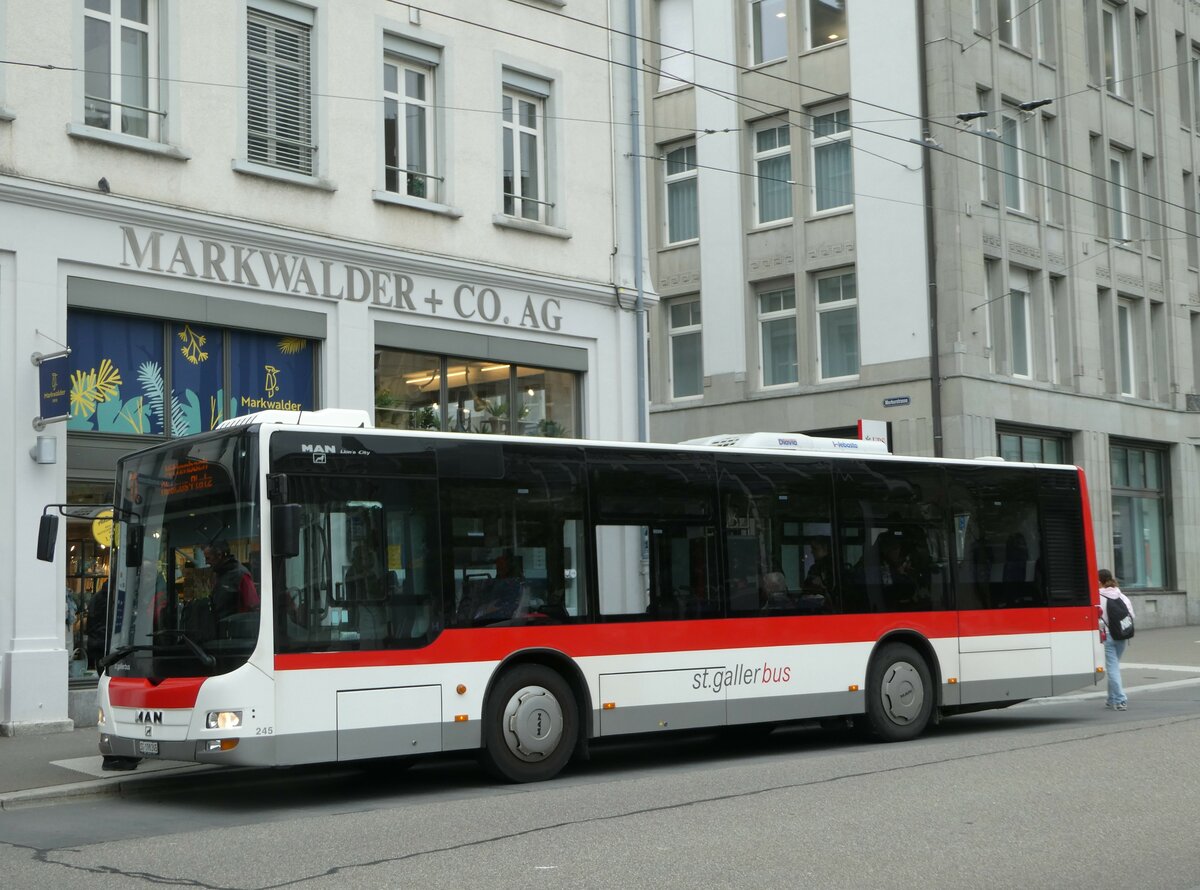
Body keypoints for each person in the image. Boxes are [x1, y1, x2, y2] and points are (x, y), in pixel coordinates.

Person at [1098, 568, 1135, 711]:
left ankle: (1120, 699)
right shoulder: (1122, 596)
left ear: (1099, 581)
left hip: (1107, 636)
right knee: (1114, 667)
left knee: (1112, 668)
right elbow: (1132, 616)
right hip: (1121, 635)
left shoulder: (1098, 597)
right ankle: (1111, 698)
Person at [204, 541, 260, 627]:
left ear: (219, 555)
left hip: (237, 631)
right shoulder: (219, 574)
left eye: (208, 558)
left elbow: (253, 606)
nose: (206, 562)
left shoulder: (241, 575)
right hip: (221, 630)